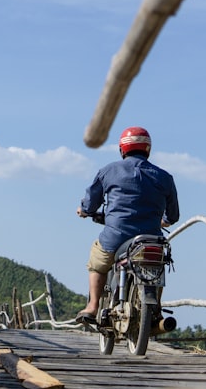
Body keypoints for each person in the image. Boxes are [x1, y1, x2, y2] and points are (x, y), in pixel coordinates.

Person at [75, 126, 179, 324]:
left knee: (97, 262)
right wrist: (164, 221)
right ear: (148, 149)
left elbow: (90, 203)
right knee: (155, 268)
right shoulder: (165, 177)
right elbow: (173, 214)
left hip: (116, 236)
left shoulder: (108, 171)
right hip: (150, 239)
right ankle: (155, 311)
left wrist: (84, 211)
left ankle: (93, 306)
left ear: (122, 149)